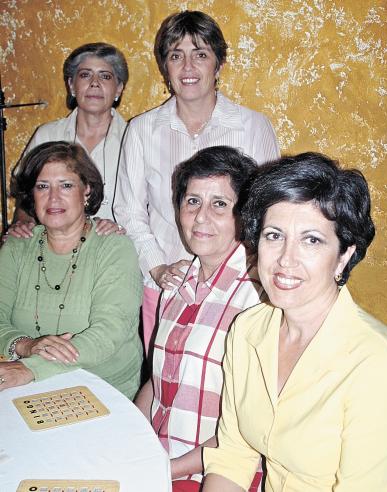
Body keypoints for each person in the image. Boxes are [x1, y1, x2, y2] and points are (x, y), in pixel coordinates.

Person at [203, 152, 387, 491]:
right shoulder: (247, 330)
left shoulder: (377, 362)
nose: (285, 260)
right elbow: (233, 456)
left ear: (344, 256)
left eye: (312, 240)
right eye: (274, 235)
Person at [113, 10, 280, 354]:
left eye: (200, 54)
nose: (188, 67)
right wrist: (158, 268)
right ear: (165, 67)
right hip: (163, 287)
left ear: (218, 65)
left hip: (239, 292)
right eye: (176, 55)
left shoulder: (252, 126)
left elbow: (270, 211)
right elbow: (127, 210)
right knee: (167, 386)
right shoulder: (142, 130)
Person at [135, 146, 265, 492]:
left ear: (246, 214)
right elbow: (158, 385)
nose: (201, 217)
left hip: (216, 475)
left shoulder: (259, 297)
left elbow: (254, 428)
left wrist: (167, 469)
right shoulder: (176, 285)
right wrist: (130, 438)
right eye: (192, 201)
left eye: (220, 204)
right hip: (159, 464)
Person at [0, 142, 143, 399]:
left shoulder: (114, 247)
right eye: (43, 186)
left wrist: (31, 368)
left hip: (102, 390)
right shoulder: (16, 246)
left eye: (66, 185)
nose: (53, 197)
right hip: (26, 387)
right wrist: (25, 345)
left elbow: (109, 333)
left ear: (86, 191)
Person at [9, 42, 128, 238]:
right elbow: (25, 196)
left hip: (114, 250)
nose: (95, 83)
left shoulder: (134, 138)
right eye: (85, 75)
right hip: (53, 246)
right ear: (72, 85)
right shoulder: (47, 135)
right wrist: (23, 222)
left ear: (118, 89)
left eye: (105, 76)